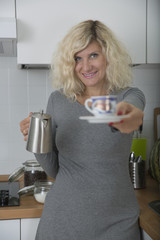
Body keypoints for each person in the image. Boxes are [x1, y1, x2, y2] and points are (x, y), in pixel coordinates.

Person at [20, 20, 145, 240]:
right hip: (61, 222)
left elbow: (130, 116)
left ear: (109, 56)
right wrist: (37, 137)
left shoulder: (129, 95)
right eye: (78, 58)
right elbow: (54, 169)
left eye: (93, 55)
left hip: (117, 224)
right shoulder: (58, 100)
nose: (85, 67)